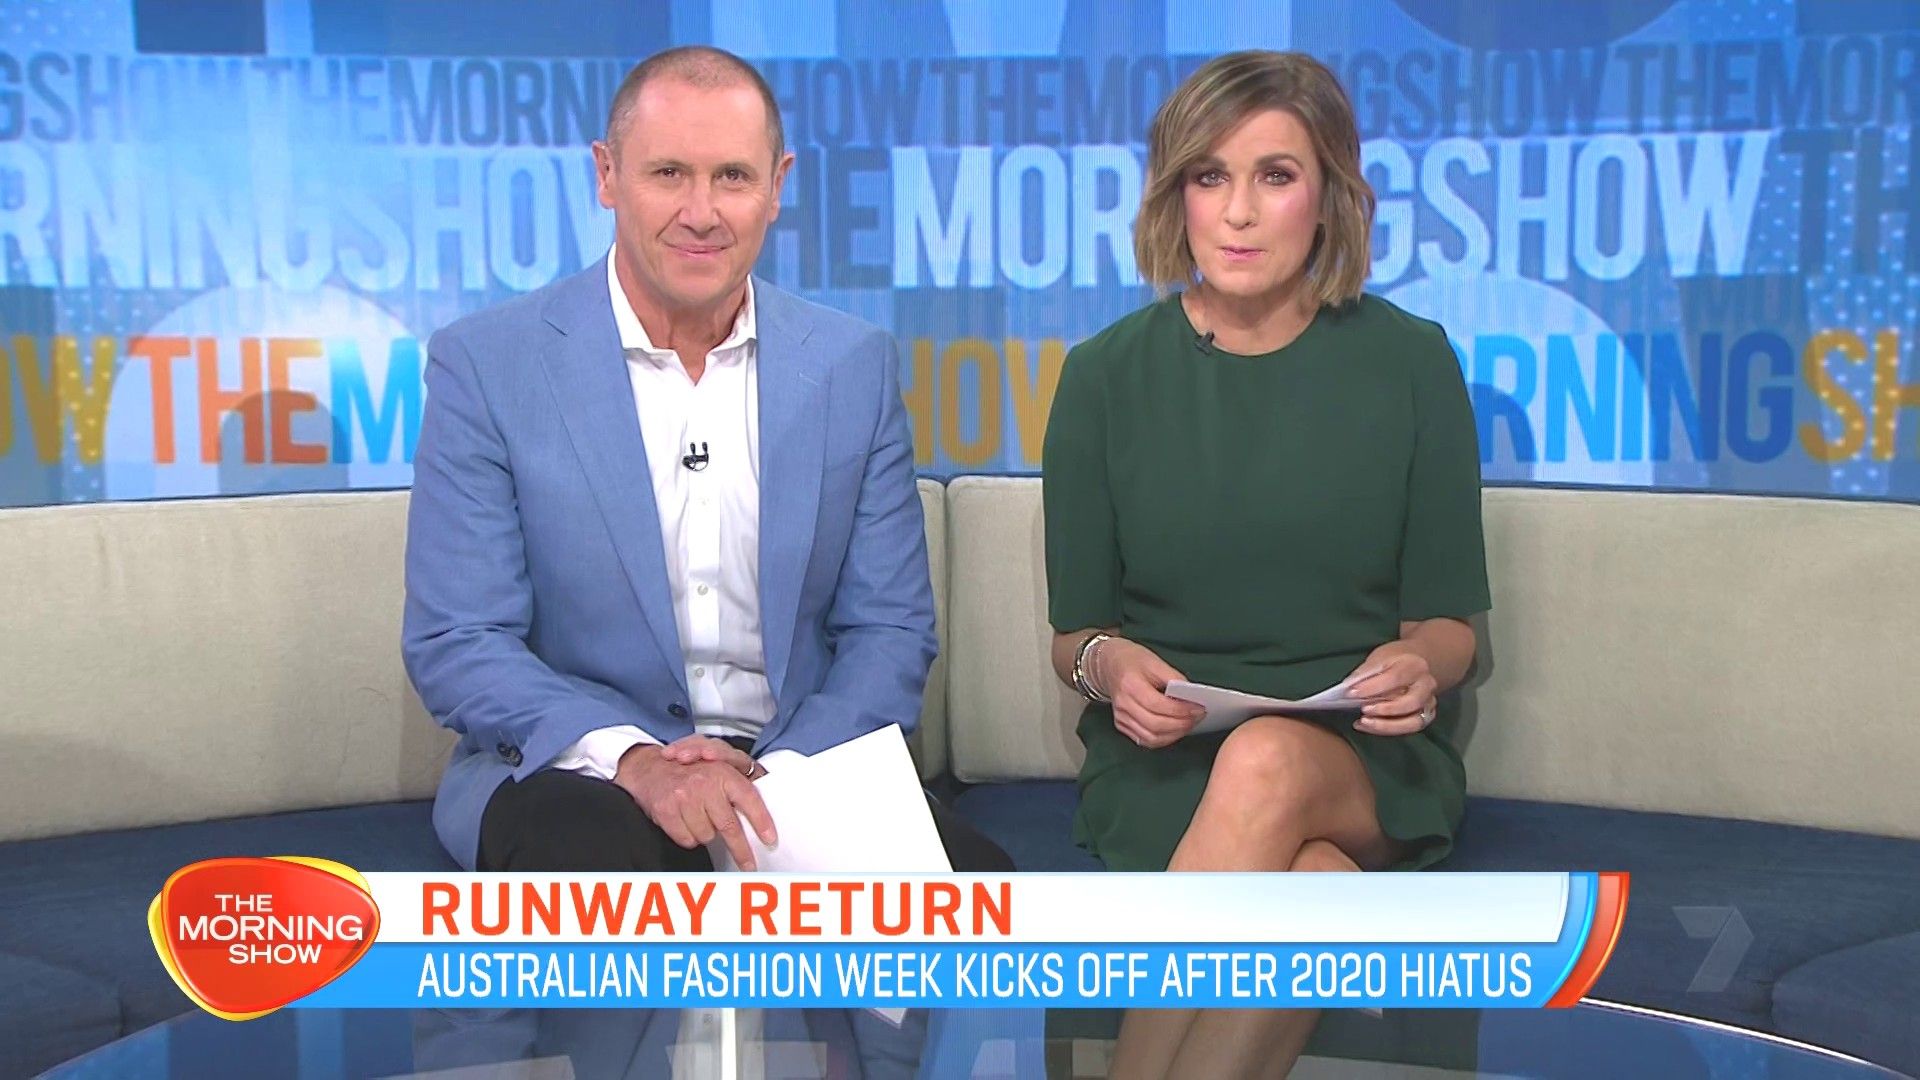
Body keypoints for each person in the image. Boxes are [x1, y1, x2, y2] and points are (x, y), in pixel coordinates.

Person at [403, 44, 1010, 1078]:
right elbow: (460, 640)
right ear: (607, 176)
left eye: (732, 176)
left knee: (984, 903)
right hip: (583, 773)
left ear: (777, 187)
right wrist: (639, 763)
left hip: (796, 768)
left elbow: (890, 629)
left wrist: (770, 781)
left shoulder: (850, 365)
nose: (701, 211)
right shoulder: (489, 365)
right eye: (667, 173)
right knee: (601, 882)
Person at [1041, 51, 1491, 1078]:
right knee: (1318, 891)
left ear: (1328, 193)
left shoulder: (1411, 362)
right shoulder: (1105, 377)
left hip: (1363, 763)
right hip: (1165, 766)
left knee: (1270, 761)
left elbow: (1449, 627)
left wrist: (1420, 665)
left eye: (1275, 176)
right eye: (1210, 176)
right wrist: (1110, 668)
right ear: (1177, 197)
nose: (1239, 212)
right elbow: (1076, 636)